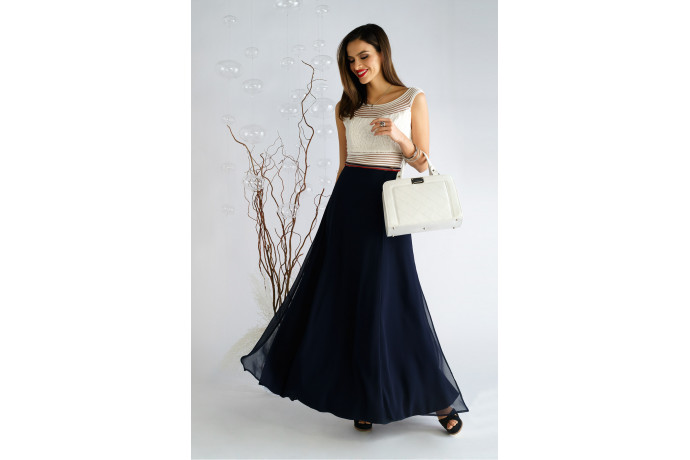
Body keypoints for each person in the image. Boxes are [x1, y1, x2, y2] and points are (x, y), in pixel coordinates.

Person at [240, 23, 469, 435]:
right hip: (346, 208)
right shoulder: (346, 106)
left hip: (385, 209)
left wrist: (400, 137)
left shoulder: (412, 98)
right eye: (350, 60)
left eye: (364, 56)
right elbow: (345, 164)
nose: (357, 65)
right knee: (347, 301)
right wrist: (333, 217)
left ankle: (439, 399)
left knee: (394, 300)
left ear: (382, 53)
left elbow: (423, 164)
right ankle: (361, 397)